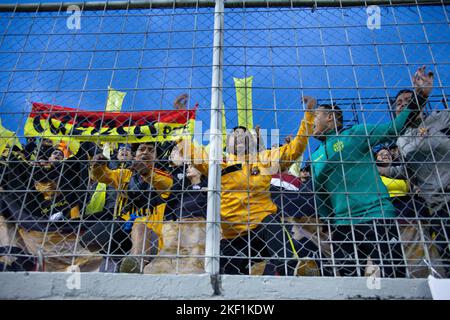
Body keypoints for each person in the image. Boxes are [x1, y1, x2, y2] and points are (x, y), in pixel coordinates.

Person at [310, 67, 431, 277]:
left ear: (330, 117)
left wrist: (419, 98)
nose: (311, 121)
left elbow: (394, 128)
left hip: (377, 216)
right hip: (343, 226)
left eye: (315, 116)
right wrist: (328, 224)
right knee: (348, 282)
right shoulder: (315, 157)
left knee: (394, 275)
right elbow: (320, 196)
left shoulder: (355, 134)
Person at [177, 96, 316, 275]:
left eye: (245, 136)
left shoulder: (265, 160)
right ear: (227, 144)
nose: (241, 138)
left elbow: (295, 148)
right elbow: (191, 151)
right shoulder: (219, 162)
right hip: (232, 235)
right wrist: (181, 118)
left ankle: (288, 269)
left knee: (274, 225)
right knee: (225, 279)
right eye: (235, 136)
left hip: (263, 228)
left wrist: (309, 115)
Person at [377, 66, 450, 276]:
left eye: (408, 100)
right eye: (398, 103)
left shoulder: (441, 118)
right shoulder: (402, 139)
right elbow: (408, 171)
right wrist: (381, 169)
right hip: (438, 205)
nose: (402, 105)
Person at [90, 142, 173, 273]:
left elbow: (165, 184)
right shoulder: (124, 174)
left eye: (151, 150)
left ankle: (135, 263)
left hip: (149, 236)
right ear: (135, 156)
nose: (145, 152)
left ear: (156, 158)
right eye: (142, 149)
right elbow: (103, 176)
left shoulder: (163, 176)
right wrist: (97, 166)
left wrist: (146, 173)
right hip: (120, 231)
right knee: (92, 235)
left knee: (139, 226)